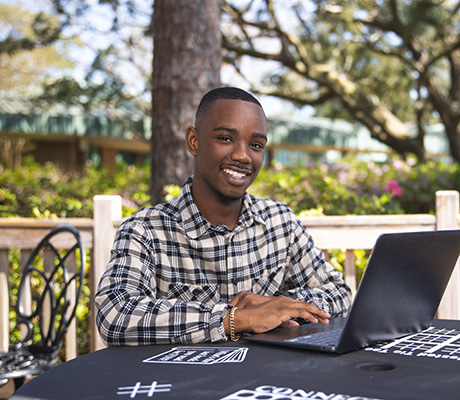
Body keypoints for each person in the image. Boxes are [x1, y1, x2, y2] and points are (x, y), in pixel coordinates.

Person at [94, 87, 352, 345]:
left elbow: (339, 294)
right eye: (226, 139)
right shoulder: (145, 230)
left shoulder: (281, 223)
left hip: (265, 381)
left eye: (255, 145)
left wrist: (278, 306)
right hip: (181, 382)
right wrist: (237, 319)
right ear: (193, 141)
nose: (242, 155)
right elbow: (115, 314)